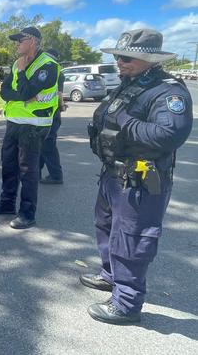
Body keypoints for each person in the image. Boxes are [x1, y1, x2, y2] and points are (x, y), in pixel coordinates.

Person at [82, 29, 193, 325]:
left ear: (150, 59)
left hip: (140, 180)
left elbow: (170, 134)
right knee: (106, 227)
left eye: (127, 57)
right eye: (118, 56)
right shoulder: (130, 84)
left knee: (131, 240)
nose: (119, 61)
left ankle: (127, 305)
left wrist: (126, 122)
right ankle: (110, 277)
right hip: (113, 174)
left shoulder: (168, 91)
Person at [0, 27, 60, 229]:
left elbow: (27, 90)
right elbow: (4, 91)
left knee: (28, 170)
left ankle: (27, 213)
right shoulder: (16, 63)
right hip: (14, 122)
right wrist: (23, 93)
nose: (16, 44)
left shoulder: (48, 66)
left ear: (33, 41)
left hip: (34, 124)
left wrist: (21, 74)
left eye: (20, 40)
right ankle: (7, 203)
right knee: (8, 165)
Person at [39, 49, 66, 184]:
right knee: (42, 144)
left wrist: (61, 106)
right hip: (50, 114)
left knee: (48, 145)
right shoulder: (57, 72)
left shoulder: (55, 72)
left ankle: (56, 176)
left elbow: (59, 94)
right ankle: (35, 172)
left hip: (51, 114)